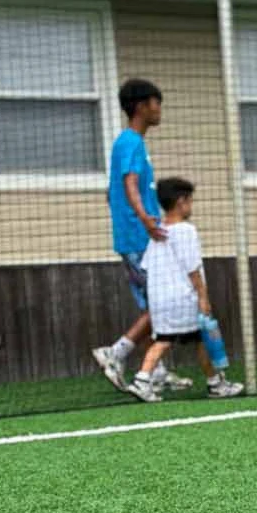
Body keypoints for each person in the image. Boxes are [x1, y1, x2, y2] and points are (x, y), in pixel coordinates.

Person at [93, 79, 192, 394]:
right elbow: (129, 184)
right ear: (140, 106)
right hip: (139, 239)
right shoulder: (130, 142)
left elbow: (112, 194)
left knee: (155, 304)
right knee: (161, 305)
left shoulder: (130, 143)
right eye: (155, 102)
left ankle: (157, 371)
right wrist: (146, 220)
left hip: (138, 235)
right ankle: (116, 352)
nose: (159, 109)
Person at [126, 178, 246, 403]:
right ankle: (143, 380)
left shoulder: (157, 233)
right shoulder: (186, 231)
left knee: (176, 340)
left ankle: (214, 382)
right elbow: (193, 268)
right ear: (181, 202)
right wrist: (203, 297)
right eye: (190, 201)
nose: (191, 206)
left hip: (160, 299)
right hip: (182, 298)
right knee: (183, 340)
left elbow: (146, 267)